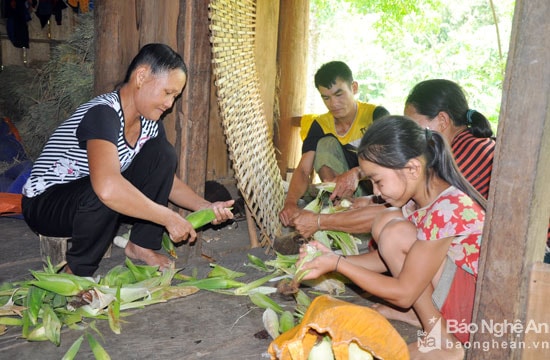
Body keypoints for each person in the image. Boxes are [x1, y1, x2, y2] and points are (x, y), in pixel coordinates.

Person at [21, 43, 234, 277]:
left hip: (89, 195)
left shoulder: (150, 123)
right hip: (46, 203)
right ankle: (77, 273)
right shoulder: (103, 114)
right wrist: (167, 217)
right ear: (141, 77)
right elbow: (107, 188)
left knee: (162, 154)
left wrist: (204, 207)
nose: (169, 104)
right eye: (167, 92)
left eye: (175, 96)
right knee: (106, 191)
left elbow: (167, 181)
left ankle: (141, 245)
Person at [298, 116, 486, 359]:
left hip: (474, 312)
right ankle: (421, 315)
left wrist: (337, 265)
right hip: (457, 298)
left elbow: (404, 292)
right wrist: (332, 257)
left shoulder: (448, 209)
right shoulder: (420, 199)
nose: (375, 192)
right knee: (387, 220)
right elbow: (383, 259)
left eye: (377, 181)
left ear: (412, 168)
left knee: (395, 232)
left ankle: (442, 341)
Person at [279, 61, 388, 228]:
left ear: (354, 88)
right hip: (340, 191)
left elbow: (392, 162)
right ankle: (337, 205)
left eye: (339, 94)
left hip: (375, 191)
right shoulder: (320, 124)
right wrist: (291, 203)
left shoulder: (376, 115)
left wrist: (357, 173)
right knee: (325, 143)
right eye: (326, 98)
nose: (333, 104)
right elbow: (302, 169)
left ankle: (345, 212)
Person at [404, 79, 495, 199]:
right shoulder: (463, 146)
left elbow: (432, 203)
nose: (411, 136)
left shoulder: (472, 151)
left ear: (443, 120)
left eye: (414, 126)